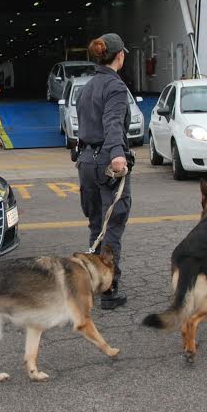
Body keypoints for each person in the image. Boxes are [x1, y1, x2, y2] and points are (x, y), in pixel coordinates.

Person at [75, 32, 133, 309]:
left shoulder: (87, 87)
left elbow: (84, 123)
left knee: (96, 223)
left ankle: (93, 281)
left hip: (86, 161)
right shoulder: (115, 87)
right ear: (119, 56)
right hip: (106, 162)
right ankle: (109, 289)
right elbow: (112, 123)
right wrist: (118, 154)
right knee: (112, 226)